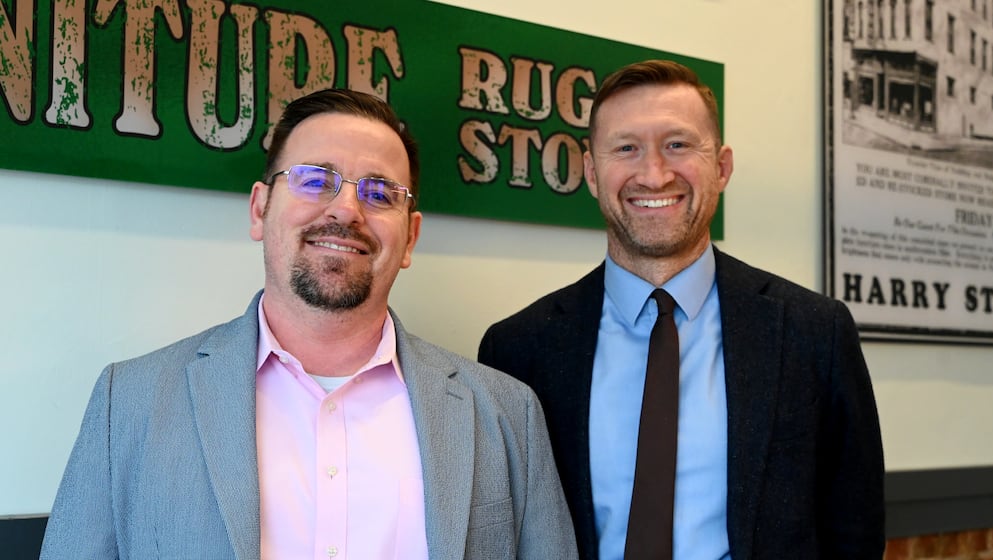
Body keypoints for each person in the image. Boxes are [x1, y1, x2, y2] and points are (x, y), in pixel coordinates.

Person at [41, 88, 578, 560]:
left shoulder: (508, 413)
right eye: (316, 179)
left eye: (379, 192)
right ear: (259, 209)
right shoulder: (130, 402)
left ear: (410, 237)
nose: (347, 210)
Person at [478, 60, 885, 559]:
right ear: (590, 171)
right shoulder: (518, 349)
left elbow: (855, 531)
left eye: (678, 145)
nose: (654, 174)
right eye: (626, 148)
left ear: (722, 167)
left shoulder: (814, 333)